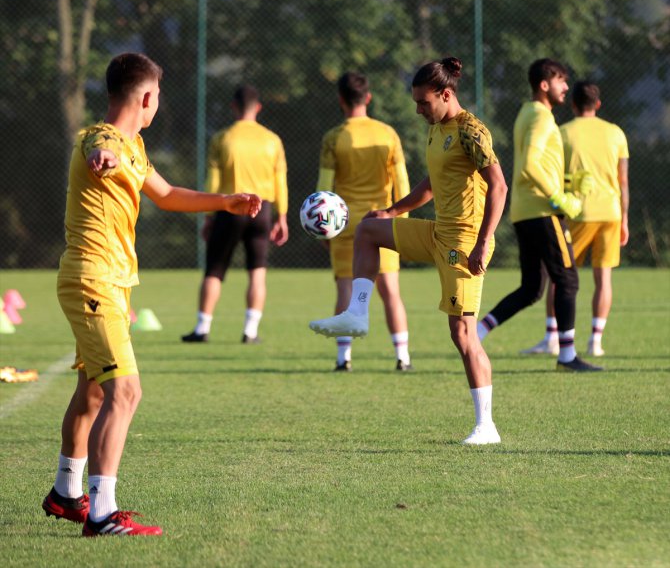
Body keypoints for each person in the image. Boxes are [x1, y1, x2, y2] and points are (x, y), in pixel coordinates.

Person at [42, 53, 261, 537]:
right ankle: (102, 513)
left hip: (110, 283)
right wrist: (105, 157)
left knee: (95, 391)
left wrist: (224, 201)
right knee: (126, 390)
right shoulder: (102, 140)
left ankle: (66, 493)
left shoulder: (134, 147)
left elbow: (165, 193)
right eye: (157, 97)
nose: (156, 104)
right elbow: (101, 149)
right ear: (146, 98)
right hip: (92, 279)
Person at [309, 57, 508, 445]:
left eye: (423, 103)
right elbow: (431, 182)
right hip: (436, 233)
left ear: (446, 94)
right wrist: (394, 210)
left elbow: (498, 187)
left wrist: (484, 241)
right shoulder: (436, 129)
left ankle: (487, 427)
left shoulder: (472, 131)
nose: (418, 110)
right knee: (368, 229)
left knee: (463, 333)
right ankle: (357, 314)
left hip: (464, 242)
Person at [476, 58, 602, 372]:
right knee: (568, 280)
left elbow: (534, 166)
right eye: (561, 80)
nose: (566, 87)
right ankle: (567, 355)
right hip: (542, 210)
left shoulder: (528, 113)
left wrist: (568, 183)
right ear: (544, 84)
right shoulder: (541, 116)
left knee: (532, 288)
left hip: (525, 209)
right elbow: (531, 165)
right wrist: (559, 196)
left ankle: (476, 332)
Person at [521, 80, 629, 357]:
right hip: (610, 213)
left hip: (578, 211)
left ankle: (552, 337)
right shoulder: (616, 133)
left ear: (572, 104)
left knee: (559, 276)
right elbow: (623, 181)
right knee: (603, 277)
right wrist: (625, 218)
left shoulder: (563, 132)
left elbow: (553, 172)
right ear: (598, 104)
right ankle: (596, 340)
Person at [316, 71, 412, 372]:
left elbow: (325, 188)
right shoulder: (388, 134)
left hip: (345, 225)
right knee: (390, 292)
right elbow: (403, 184)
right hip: (382, 223)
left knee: (345, 289)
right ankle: (403, 356)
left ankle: (344, 358)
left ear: (341, 100)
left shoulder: (334, 138)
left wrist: (323, 227)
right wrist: (401, 220)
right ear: (368, 98)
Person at [181, 85, 288, 344]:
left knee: (214, 270)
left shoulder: (223, 138)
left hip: (230, 208)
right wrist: (282, 217)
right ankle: (250, 331)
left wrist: (208, 216)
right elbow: (280, 182)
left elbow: (213, 183)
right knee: (257, 272)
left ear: (233, 107)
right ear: (258, 107)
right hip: (261, 210)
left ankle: (202, 328)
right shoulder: (272, 140)